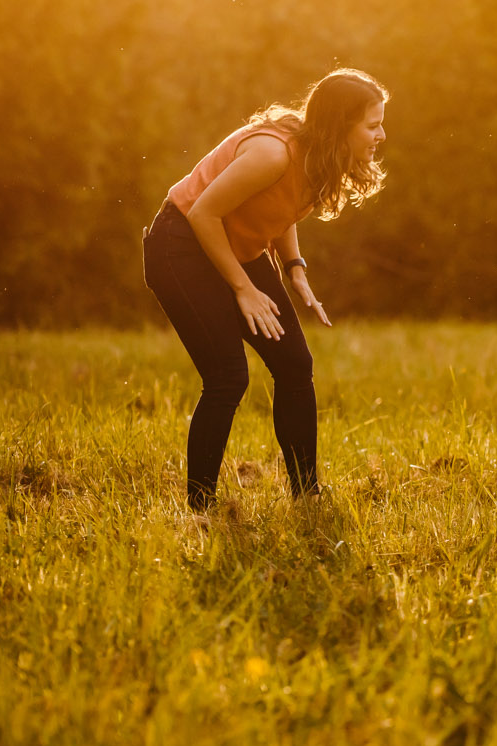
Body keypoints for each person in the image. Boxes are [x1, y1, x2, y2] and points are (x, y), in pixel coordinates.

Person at [142, 69, 388, 510]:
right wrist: (243, 288)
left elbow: (283, 207)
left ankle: (306, 495)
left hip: (234, 247)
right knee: (227, 377)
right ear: (340, 126)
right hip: (179, 245)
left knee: (294, 365)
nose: (381, 135)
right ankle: (201, 508)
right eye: (372, 125)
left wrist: (294, 268)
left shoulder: (319, 157)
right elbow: (202, 214)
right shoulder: (272, 154)